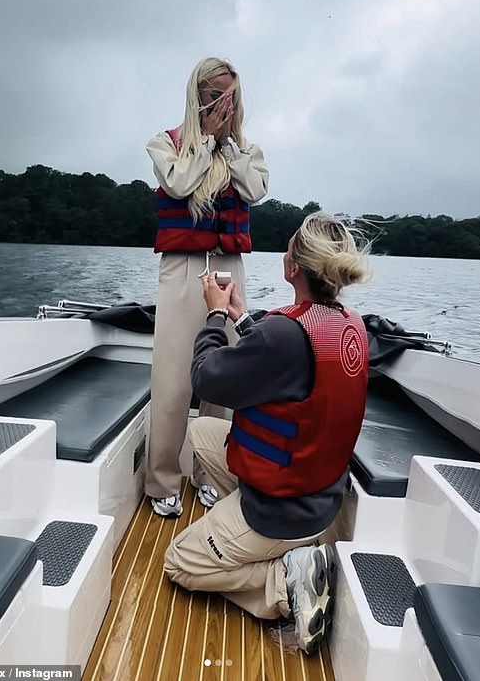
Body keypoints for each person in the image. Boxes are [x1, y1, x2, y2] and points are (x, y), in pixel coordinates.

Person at [163, 211, 370, 654]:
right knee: (202, 432)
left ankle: (286, 580)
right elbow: (290, 366)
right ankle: (278, 544)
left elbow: (207, 378)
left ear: (294, 266)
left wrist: (216, 317)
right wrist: (241, 320)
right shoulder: (350, 323)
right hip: (322, 492)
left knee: (179, 562)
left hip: (285, 508)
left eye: (289, 246)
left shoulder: (283, 334)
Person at [145, 57, 269, 517]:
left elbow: (255, 190)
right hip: (181, 269)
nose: (226, 104)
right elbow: (178, 185)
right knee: (174, 380)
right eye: (217, 95)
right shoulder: (165, 144)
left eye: (232, 95)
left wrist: (227, 146)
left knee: (223, 379)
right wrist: (204, 142)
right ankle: (161, 481)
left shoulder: (247, 152)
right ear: (196, 95)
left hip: (227, 269)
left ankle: (210, 473)